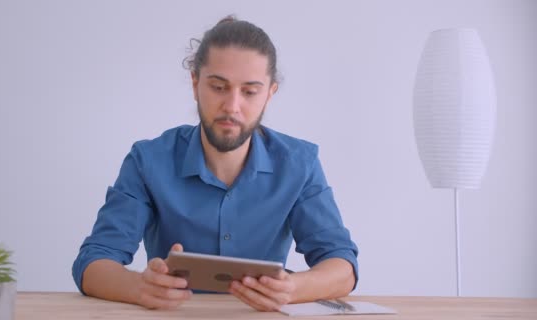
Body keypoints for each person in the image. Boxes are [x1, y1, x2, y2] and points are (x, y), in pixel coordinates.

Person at [72, 16, 358, 312]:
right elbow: (93, 262)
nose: (232, 106)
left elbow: (342, 266)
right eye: (219, 87)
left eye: (249, 91)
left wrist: (291, 289)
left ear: (269, 93)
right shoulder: (148, 160)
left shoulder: (300, 163)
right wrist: (139, 287)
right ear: (195, 83)